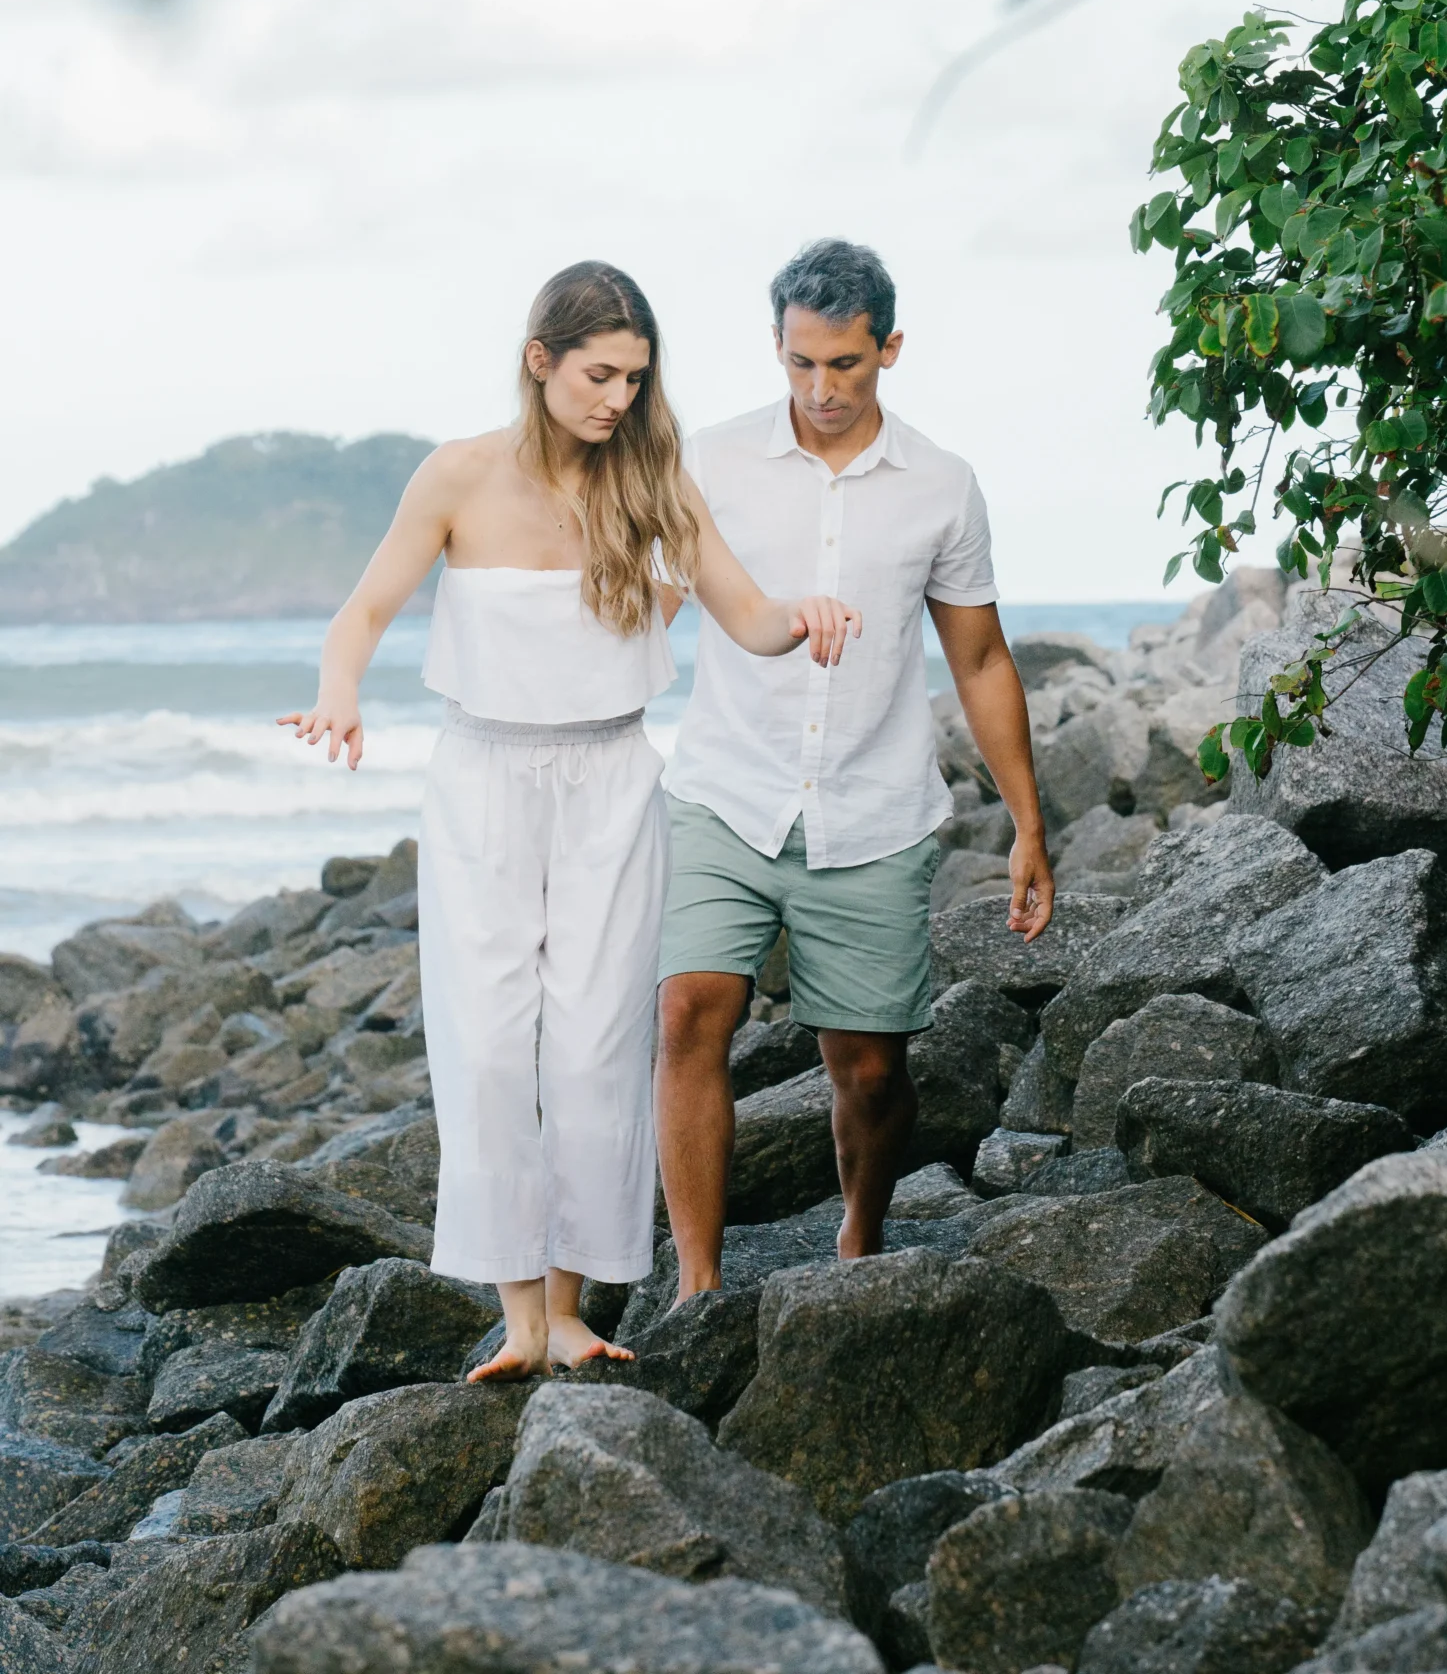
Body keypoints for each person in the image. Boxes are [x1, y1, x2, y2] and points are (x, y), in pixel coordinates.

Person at [280, 260, 857, 1379]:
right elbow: (362, 610)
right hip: (482, 778)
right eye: (600, 375)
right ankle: (519, 1318)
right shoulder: (456, 476)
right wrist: (338, 692)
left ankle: (572, 1309)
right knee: (491, 1047)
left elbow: (745, 613)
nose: (618, 401)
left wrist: (809, 616)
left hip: (609, 777)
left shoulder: (652, 482)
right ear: (540, 360)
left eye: (636, 380)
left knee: (596, 1046)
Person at [656, 238, 1053, 1296]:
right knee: (691, 1008)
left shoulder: (941, 486)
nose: (821, 389)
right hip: (722, 794)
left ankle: (860, 1240)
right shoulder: (711, 460)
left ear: (890, 348)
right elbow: (645, 605)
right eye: (800, 363)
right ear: (777, 349)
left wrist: (1028, 824)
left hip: (875, 813)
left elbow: (977, 656)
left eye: (846, 364)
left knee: (871, 1073)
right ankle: (698, 1282)